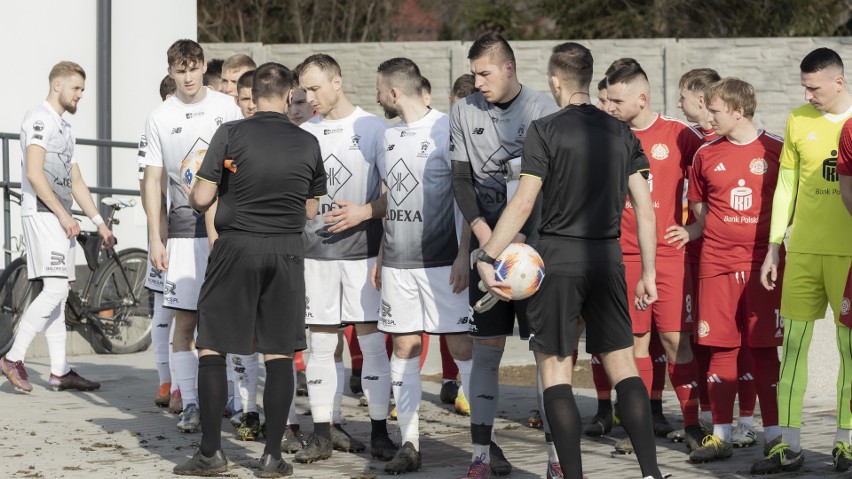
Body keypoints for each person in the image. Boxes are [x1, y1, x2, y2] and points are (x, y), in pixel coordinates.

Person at [476, 41, 664, 479]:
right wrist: (649, 272)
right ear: (589, 79)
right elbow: (645, 206)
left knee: (557, 372)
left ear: (555, 81)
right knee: (623, 366)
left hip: (557, 261)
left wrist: (488, 255)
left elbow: (523, 203)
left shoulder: (544, 129)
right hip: (608, 258)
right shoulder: (622, 131)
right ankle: (652, 474)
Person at [172, 62, 326, 477]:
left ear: (253, 98)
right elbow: (311, 208)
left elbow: (201, 199)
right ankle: (272, 457)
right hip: (287, 253)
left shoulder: (231, 133)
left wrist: (197, 189)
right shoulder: (308, 142)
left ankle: (210, 455)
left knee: (213, 347)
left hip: (236, 248)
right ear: (289, 93)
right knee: (279, 352)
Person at [450, 32, 560, 478]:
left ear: (509, 68)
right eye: (474, 73)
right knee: (486, 354)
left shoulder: (541, 110)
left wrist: (526, 244)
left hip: (534, 255)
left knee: (546, 356)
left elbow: (548, 186)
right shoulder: (462, 111)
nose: (477, 82)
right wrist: (482, 235)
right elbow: (461, 181)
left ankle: (556, 459)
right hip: (488, 255)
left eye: (485, 73)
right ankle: (479, 456)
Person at [666, 77, 783, 462]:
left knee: (764, 350)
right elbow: (702, 215)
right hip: (715, 264)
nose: (709, 116)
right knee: (720, 347)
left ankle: (775, 437)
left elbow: (789, 211)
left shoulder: (777, 150)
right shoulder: (704, 154)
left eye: (714, 109)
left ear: (736, 110)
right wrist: (688, 233)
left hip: (761, 267)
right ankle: (720, 436)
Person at [372, 57, 473, 474]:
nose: (377, 96)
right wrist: (380, 254)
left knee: (462, 346)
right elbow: (388, 197)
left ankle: (486, 442)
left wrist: (465, 253)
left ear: (395, 93)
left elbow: (467, 197)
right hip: (398, 264)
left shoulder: (447, 127)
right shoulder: (386, 135)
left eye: (380, 89)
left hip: (444, 262)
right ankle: (409, 443)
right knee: (404, 346)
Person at [294, 53, 396, 464]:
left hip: (363, 254)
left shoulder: (372, 129)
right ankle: (322, 432)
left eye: (316, 88)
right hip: (315, 255)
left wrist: (364, 212)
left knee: (371, 343)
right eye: (304, 90)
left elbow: (399, 196)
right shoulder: (304, 132)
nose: (310, 97)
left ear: (337, 81)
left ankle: (379, 433)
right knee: (320, 343)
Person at [754, 47, 852, 474]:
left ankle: (846, 442)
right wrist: (775, 244)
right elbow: (786, 185)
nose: (808, 94)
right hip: (805, 252)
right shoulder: (797, 120)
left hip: (848, 256)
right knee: (793, 347)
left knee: (850, 351)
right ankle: (786, 444)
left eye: (814, 87)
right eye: (804, 86)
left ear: (838, 82)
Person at [140, 39, 243, 433]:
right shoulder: (160, 117)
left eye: (193, 68)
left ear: (203, 68)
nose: (187, 77)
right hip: (183, 234)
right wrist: (155, 235)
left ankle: (235, 397)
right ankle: (191, 403)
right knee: (185, 321)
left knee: (229, 318)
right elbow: (152, 179)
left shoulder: (225, 107)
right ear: (171, 72)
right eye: (179, 70)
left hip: (228, 230)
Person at [605, 60, 705, 453]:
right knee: (633, 343)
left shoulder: (680, 135)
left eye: (616, 100)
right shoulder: (607, 136)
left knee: (675, 339)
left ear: (641, 98)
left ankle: (695, 427)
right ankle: (640, 427)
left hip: (670, 255)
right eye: (607, 99)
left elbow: (714, 180)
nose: (610, 106)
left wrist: (696, 229)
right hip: (623, 255)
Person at [1, 61, 114, 393]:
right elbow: (35, 174)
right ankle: (13, 357)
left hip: (59, 217)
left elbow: (75, 180)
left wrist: (98, 222)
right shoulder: (39, 118)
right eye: (76, 88)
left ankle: (59, 371)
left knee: (60, 294)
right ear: (57, 86)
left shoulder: (65, 128)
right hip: (42, 213)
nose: (80, 95)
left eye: (82, 89)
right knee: (55, 290)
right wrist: (63, 216)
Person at [141, 75, 177, 409]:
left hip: (193, 232)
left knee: (190, 313)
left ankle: (183, 385)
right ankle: (166, 380)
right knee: (164, 310)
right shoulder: (156, 125)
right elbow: (148, 185)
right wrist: (158, 232)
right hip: (166, 234)